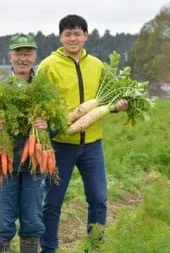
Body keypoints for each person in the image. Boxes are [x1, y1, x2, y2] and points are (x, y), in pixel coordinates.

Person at [37, 15, 128, 253]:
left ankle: (94, 247)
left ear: (86, 36)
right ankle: (48, 248)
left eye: (77, 33)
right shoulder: (48, 66)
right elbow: (39, 101)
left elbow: (110, 97)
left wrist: (118, 106)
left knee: (98, 198)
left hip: (92, 144)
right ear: (60, 37)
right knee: (53, 202)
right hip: (60, 143)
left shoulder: (97, 65)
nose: (73, 38)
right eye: (67, 34)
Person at [0, 34, 49, 253]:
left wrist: (47, 124)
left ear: (35, 56)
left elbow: (57, 122)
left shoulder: (43, 87)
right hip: (5, 163)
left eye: (27, 53)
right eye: (18, 53)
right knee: (3, 220)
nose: (23, 58)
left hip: (35, 164)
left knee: (32, 220)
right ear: (9, 56)